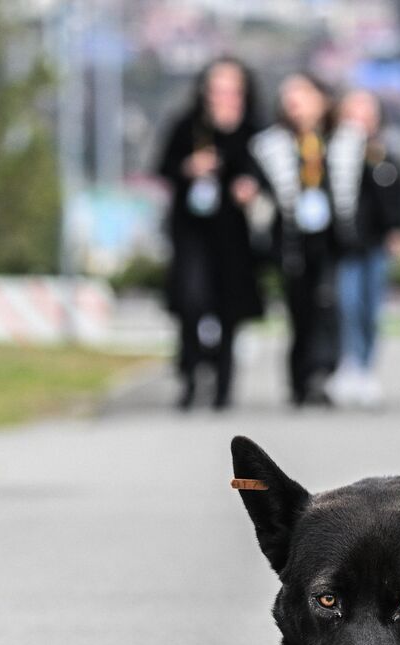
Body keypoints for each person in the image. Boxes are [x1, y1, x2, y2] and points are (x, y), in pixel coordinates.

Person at [155, 57, 264, 411]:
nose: (223, 97)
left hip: (232, 235)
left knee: (228, 308)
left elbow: (263, 173)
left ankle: (223, 384)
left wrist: (249, 186)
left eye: (231, 90)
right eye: (217, 89)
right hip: (192, 232)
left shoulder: (252, 131)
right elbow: (163, 167)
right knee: (192, 301)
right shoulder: (187, 126)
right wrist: (189, 168)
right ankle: (190, 374)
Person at [243, 73, 341, 407]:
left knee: (330, 309)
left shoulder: (338, 141)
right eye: (289, 96)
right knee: (300, 314)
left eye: (302, 94)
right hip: (291, 245)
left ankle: (324, 373)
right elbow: (256, 187)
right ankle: (302, 379)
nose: (294, 103)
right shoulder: (269, 145)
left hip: (332, 243)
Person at [327, 90, 400, 409]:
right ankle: (348, 362)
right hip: (345, 245)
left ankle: (366, 367)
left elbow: (397, 198)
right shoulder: (332, 152)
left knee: (371, 309)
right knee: (347, 304)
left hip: (375, 245)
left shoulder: (384, 154)